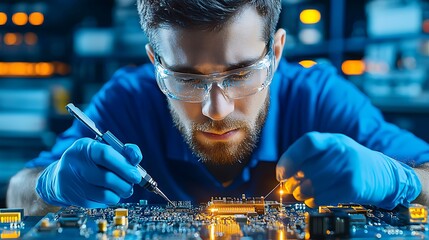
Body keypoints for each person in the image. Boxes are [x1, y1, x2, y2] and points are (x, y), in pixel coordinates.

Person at [7, 0, 429, 216]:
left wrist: (401, 181)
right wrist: (50, 187)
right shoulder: (127, 100)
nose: (216, 108)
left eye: (241, 73)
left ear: (277, 53)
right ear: (156, 66)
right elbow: (16, 192)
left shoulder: (318, 97)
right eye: (187, 79)